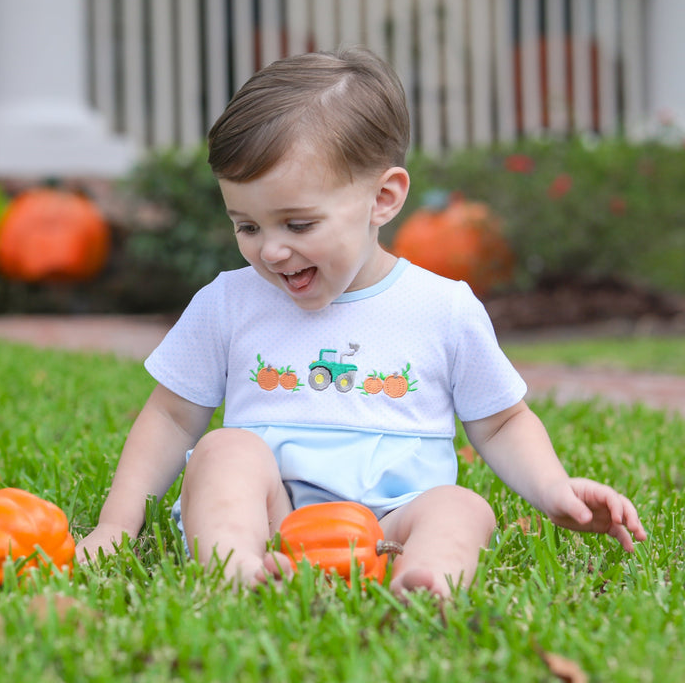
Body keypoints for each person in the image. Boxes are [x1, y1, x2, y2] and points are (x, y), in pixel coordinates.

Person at [76, 47, 646, 597]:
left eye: (297, 225)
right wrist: (116, 526)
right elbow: (172, 419)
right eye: (247, 226)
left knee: (463, 508)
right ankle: (238, 567)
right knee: (225, 451)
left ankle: (426, 579)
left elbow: (501, 424)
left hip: (393, 526)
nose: (270, 251)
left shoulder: (442, 309)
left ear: (384, 198)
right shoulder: (230, 302)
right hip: (269, 513)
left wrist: (554, 488)